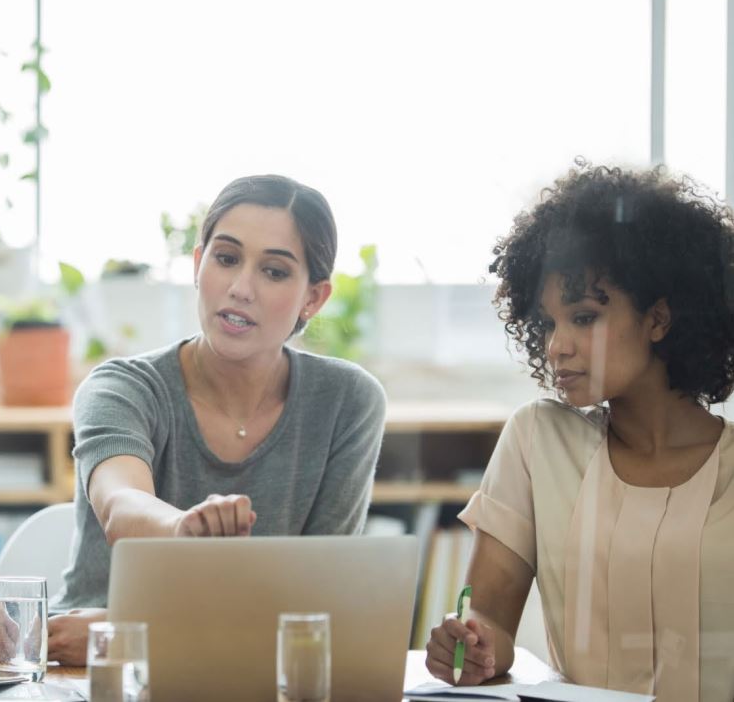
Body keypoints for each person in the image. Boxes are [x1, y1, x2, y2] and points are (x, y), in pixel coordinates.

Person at [46, 174, 387, 664]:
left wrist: (145, 632)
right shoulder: (121, 388)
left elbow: (318, 599)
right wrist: (185, 530)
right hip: (97, 661)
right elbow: (122, 507)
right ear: (198, 263)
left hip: (245, 664)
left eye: (273, 271)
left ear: (313, 298)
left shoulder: (348, 402)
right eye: (226, 259)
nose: (240, 288)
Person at [424, 163, 734, 701]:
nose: (556, 346)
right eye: (547, 324)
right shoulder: (536, 440)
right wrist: (472, 647)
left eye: (584, 317)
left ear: (658, 318)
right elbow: (490, 616)